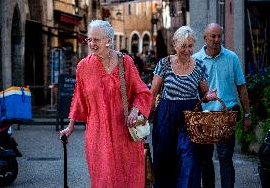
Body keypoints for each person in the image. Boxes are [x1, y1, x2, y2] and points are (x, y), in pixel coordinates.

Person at [59, 20, 152, 188]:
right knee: (103, 179)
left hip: (124, 132)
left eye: (96, 40)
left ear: (108, 40)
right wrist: (70, 126)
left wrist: (135, 110)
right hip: (97, 134)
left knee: (128, 178)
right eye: (89, 40)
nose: (92, 44)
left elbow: (142, 92)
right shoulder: (83, 67)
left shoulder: (126, 63)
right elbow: (79, 99)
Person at [150, 26, 216, 188]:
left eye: (190, 46)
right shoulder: (164, 64)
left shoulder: (199, 65)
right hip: (166, 116)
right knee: (166, 158)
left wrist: (209, 96)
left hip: (191, 117)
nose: (187, 50)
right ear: (174, 45)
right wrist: (145, 116)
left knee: (189, 159)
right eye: (183, 46)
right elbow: (152, 93)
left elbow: (204, 95)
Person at [193, 23, 251, 188]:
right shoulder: (196, 60)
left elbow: (242, 87)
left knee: (225, 158)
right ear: (205, 38)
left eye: (219, 36)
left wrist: (247, 114)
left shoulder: (231, 57)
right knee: (205, 160)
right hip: (205, 116)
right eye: (213, 36)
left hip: (227, 114)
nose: (217, 40)